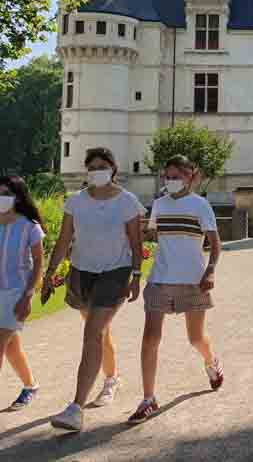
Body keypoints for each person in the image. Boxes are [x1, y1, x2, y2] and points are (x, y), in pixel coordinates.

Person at [42, 147, 145, 433]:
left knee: (92, 333)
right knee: (98, 332)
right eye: (92, 167)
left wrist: (136, 275)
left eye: (102, 166)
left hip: (115, 272)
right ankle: (111, 378)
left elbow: (136, 243)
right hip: (82, 273)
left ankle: (75, 408)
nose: (96, 171)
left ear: (113, 168)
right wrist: (50, 273)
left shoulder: (127, 201)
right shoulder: (76, 202)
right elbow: (63, 241)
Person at [127, 155, 223, 424]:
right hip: (160, 279)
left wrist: (211, 269)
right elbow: (152, 234)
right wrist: (132, 228)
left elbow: (215, 244)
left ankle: (211, 362)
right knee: (150, 339)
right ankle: (148, 398)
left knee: (195, 339)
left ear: (190, 176)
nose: (170, 181)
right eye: (166, 176)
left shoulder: (201, 206)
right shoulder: (159, 204)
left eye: (175, 176)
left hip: (193, 280)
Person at [0, 176, 44, 411]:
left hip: (16, 292)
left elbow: (38, 263)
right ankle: (30, 385)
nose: (1, 198)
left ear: (18, 197)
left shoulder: (29, 226)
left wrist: (28, 296)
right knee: (11, 347)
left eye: (6, 193)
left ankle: (30, 386)